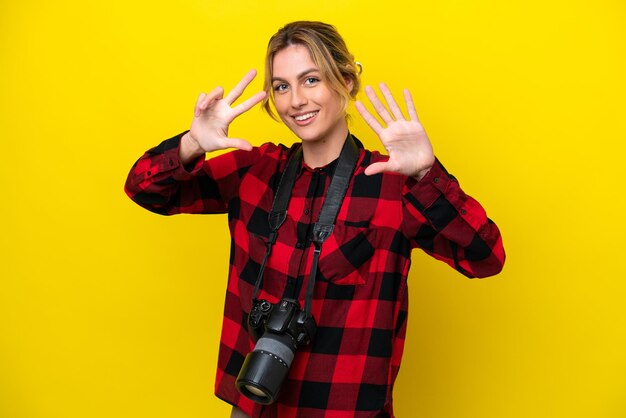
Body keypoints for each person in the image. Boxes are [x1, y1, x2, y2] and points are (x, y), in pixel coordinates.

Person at [125, 21, 505, 418]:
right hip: (253, 404)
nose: (295, 101)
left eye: (310, 80)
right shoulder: (255, 170)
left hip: (343, 408)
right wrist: (192, 142)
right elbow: (145, 189)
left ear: (346, 82)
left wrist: (427, 176)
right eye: (282, 86)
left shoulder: (391, 184)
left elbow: (485, 257)